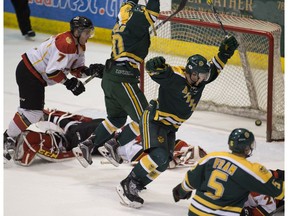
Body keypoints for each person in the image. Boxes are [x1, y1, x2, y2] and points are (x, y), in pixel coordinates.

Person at [113, 35, 239, 208]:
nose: (202, 80)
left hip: (170, 127)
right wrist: (154, 66)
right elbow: (157, 71)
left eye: (204, 76)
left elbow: (214, 69)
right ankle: (128, 183)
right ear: (190, 72)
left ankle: (138, 184)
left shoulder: (199, 80)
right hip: (155, 120)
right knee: (159, 156)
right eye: (199, 76)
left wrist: (225, 53)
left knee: (164, 163)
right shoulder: (175, 76)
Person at [3, 16, 105, 162]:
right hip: (29, 72)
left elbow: (76, 69)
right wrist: (69, 83)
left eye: (90, 32)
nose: (89, 35)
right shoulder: (66, 43)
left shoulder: (79, 45)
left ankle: (10, 135)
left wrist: (89, 72)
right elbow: (52, 71)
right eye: (87, 32)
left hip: (34, 75)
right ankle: (8, 137)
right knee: (32, 113)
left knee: (32, 112)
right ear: (77, 32)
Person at [72, 0, 160, 168]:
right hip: (123, 78)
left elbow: (129, 4)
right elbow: (153, 12)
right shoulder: (137, 20)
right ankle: (115, 145)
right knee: (145, 119)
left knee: (116, 118)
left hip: (110, 77)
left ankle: (87, 145)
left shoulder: (121, 20)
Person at [12, 109, 207, 167]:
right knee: (69, 138)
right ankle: (36, 139)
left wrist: (49, 114)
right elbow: (139, 157)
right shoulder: (144, 144)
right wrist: (171, 159)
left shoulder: (148, 133)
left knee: (71, 127)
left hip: (98, 129)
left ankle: (45, 126)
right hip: (95, 135)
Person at [172, 128, 284, 216]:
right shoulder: (252, 172)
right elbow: (278, 193)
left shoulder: (212, 156)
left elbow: (190, 180)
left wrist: (181, 191)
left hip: (195, 212)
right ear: (247, 148)